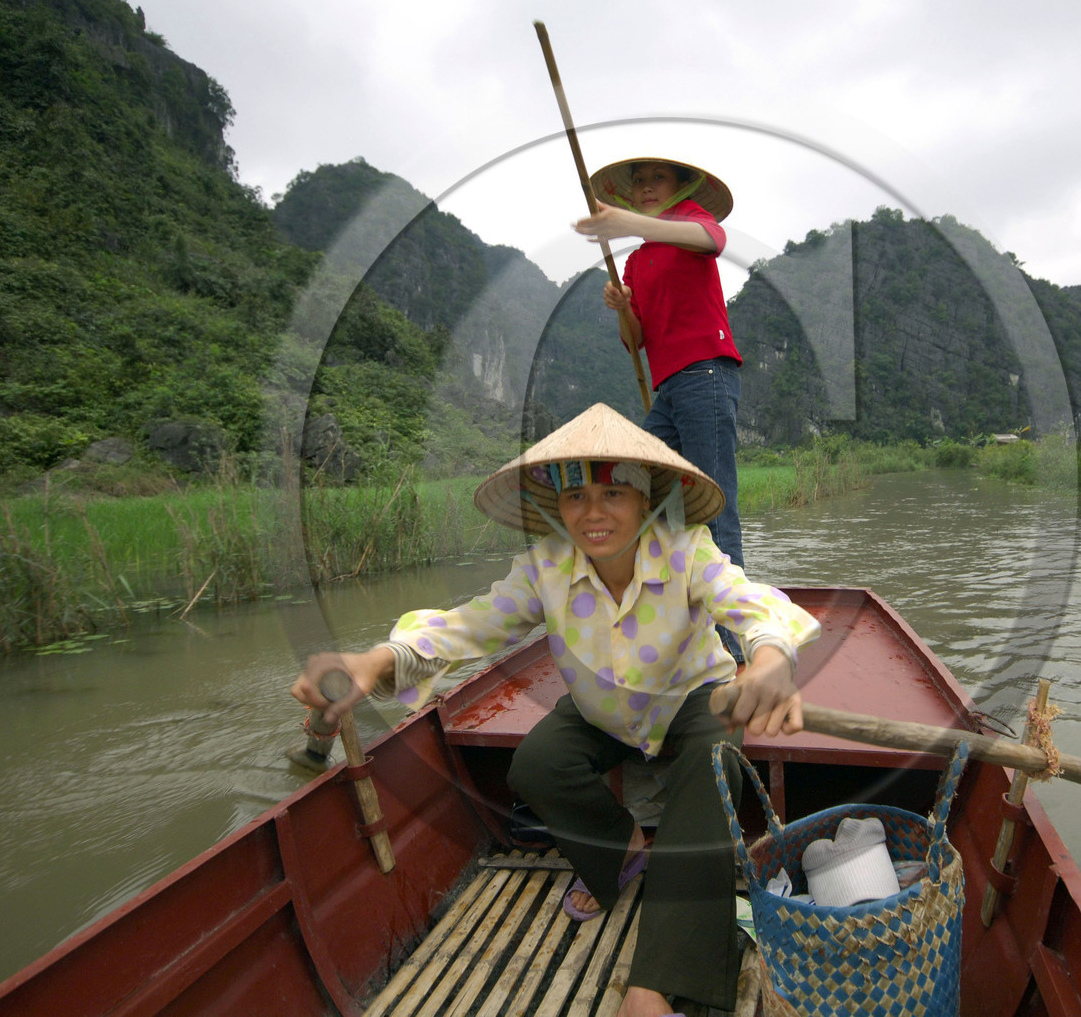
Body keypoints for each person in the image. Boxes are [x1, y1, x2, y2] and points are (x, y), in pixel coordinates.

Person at [291, 402, 819, 1017]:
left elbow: (748, 601)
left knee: (713, 761)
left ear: (646, 499)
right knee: (537, 765)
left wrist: (772, 656)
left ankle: (660, 983)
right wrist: (379, 659)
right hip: (601, 709)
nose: (593, 513)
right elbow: (471, 625)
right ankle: (619, 850)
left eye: (614, 493)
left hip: (689, 696)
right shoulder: (546, 566)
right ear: (557, 507)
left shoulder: (686, 549)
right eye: (576, 498)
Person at [574, 157, 744, 581]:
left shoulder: (689, 221)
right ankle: (668, 595)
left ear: (679, 188)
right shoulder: (633, 263)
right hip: (669, 388)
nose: (647, 187)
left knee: (715, 504)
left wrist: (631, 223)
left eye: (658, 179)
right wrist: (620, 307)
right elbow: (635, 340)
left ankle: (732, 639)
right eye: (639, 182)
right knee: (634, 480)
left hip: (705, 373)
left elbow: (712, 239)